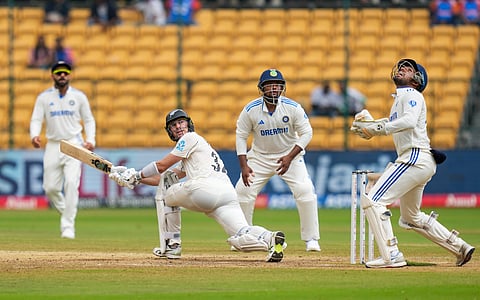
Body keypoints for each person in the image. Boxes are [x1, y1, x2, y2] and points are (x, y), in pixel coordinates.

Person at [109, 109, 286, 262]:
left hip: (204, 189)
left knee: (167, 193)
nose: (178, 127)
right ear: (169, 130)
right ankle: (271, 239)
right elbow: (161, 179)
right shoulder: (196, 149)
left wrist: (136, 175)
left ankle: (172, 245)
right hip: (226, 193)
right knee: (240, 235)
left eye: (181, 122)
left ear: (188, 124)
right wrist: (134, 178)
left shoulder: (190, 138)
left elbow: (162, 166)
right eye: (173, 125)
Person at [350, 58, 475, 268]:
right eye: (401, 67)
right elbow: (394, 123)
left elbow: (407, 122)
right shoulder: (401, 99)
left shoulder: (411, 95)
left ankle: (391, 255)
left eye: (408, 69)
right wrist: (372, 126)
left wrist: (376, 129)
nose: (402, 69)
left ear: (417, 80)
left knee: (372, 200)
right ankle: (459, 247)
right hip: (421, 161)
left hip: (414, 157)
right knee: (410, 217)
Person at [235, 68, 321, 252]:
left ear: (282, 88)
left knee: (305, 192)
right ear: (262, 89)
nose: (274, 89)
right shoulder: (250, 110)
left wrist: (290, 156)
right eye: (269, 86)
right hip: (259, 158)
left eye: (277, 86)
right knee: (242, 192)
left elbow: (307, 133)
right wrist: (244, 165)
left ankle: (311, 239)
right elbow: (241, 136)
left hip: (289, 156)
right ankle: (244, 236)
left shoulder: (293, 107)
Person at [30, 61, 96, 239]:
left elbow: (89, 120)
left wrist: (90, 140)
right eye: (58, 73)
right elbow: (36, 119)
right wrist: (34, 135)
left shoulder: (79, 97)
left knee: (71, 184)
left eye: (65, 73)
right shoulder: (44, 97)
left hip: (74, 143)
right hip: (53, 144)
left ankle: (68, 226)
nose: (62, 76)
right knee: (50, 188)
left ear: (70, 75)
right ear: (52, 75)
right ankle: (68, 213)